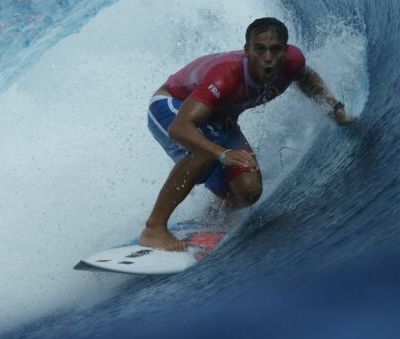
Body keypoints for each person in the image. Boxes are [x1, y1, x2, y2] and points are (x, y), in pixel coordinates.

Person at [141, 17, 357, 251]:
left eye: (276, 50)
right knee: (205, 150)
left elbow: (305, 78)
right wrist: (222, 154)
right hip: (172, 105)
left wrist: (333, 108)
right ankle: (154, 228)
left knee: (248, 191)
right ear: (247, 50)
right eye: (260, 49)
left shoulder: (292, 62)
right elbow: (179, 128)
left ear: (285, 51)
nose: (268, 58)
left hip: (218, 119)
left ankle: (210, 218)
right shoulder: (226, 76)